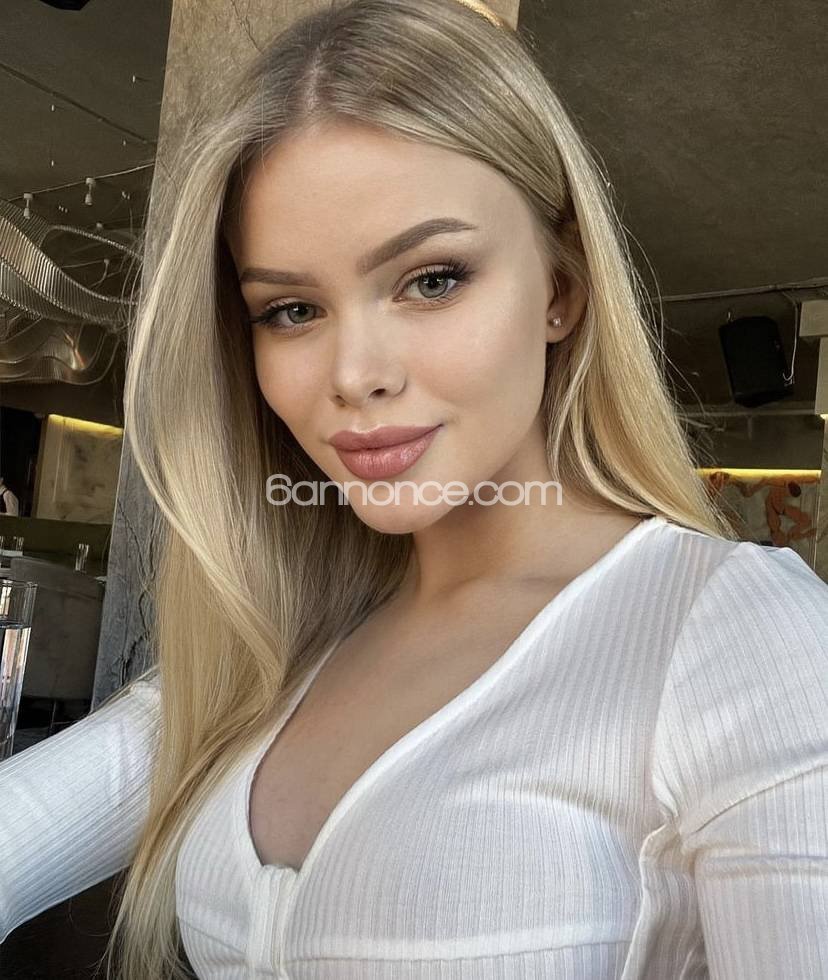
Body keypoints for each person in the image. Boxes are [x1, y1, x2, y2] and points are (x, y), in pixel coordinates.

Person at [1, 0, 827, 977]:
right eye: (291, 309)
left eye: (432, 279)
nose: (355, 375)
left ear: (561, 288)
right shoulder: (271, 653)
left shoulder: (733, 634)